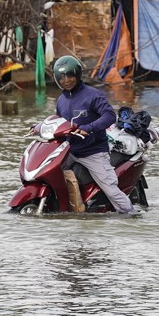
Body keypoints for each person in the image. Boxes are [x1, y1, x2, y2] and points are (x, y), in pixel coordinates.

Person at [51, 55, 139, 214]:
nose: (66, 80)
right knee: (49, 172)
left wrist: (89, 127)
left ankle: (130, 214)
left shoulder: (92, 95)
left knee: (110, 189)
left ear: (77, 74)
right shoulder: (61, 100)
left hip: (93, 151)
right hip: (70, 151)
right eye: (62, 77)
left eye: (70, 75)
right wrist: (37, 127)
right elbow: (57, 122)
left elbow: (110, 115)